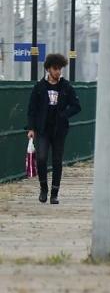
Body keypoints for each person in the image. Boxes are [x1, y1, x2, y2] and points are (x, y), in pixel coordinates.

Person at [26, 53, 82, 205]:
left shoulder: (66, 86)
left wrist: (64, 115)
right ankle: (43, 189)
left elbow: (77, 106)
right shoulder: (39, 87)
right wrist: (31, 128)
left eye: (60, 69)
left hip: (59, 130)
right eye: (55, 69)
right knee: (42, 158)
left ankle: (54, 193)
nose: (58, 72)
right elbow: (32, 109)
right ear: (48, 69)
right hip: (42, 129)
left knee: (57, 161)